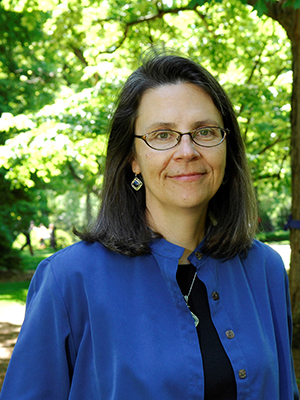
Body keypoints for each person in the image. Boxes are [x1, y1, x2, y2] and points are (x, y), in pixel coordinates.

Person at [1, 50, 298, 400]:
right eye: (162, 135)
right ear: (133, 159)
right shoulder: (69, 280)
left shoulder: (264, 269)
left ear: (226, 146)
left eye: (204, 131)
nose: (187, 150)